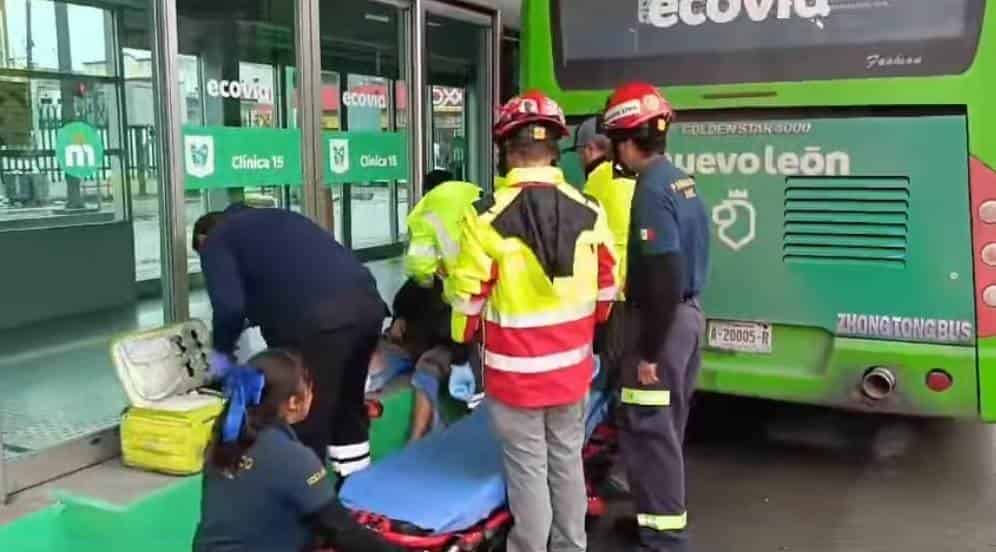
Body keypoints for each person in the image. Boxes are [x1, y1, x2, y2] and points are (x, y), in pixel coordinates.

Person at [446, 90, 618, 552]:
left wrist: (461, 344)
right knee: (566, 462)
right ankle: (571, 546)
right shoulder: (592, 209)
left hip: (515, 377)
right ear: (553, 149)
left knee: (527, 468)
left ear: (506, 151)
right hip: (573, 372)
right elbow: (607, 289)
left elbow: (467, 302)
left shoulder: (483, 218)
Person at [192, 204, 387, 481]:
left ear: (203, 240)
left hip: (323, 322)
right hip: (368, 306)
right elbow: (291, 283)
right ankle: (356, 492)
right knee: (348, 405)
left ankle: (310, 505)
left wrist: (222, 359)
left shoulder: (217, 240)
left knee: (306, 413)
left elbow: (229, 308)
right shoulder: (278, 219)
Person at [601, 82, 710, 552]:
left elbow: (663, 273)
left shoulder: (649, 191)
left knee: (651, 433)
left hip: (660, 326)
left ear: (626, 141)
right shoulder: (680, 180)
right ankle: (654, 524)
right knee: (664, 430)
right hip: (686, 318)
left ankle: (666, 540)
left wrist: (646, 350)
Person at [194, 349, 401, 552]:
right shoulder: (293, 458)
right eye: (309, 388)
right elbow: (342, 532)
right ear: (293, 402)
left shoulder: (224, 439)